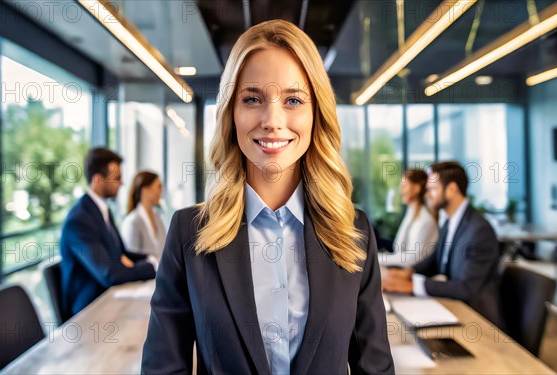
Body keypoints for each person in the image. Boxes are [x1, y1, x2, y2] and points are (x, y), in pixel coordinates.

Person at [142, 19, 394, 374]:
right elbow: (163, 368)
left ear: (316, 113)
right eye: (252, 99)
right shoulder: (188, 232)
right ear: (231, 111)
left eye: (293, 99)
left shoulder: (354, 232)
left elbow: (375, 367)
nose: (272, 120)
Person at [382, 161, 503, 326]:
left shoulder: (479, 231)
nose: (427, 194)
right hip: (451, 309)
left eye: (433, 189)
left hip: (477, 319)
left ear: (452, 189)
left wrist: (413, 285)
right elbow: (435, 259)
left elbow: (466, 288)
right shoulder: (450, 223)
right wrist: (409, 272)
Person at [60, 148, 157, 317]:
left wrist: (152, 259)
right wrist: (152, 267)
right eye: (117, 178)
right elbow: (109, 274)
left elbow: (121, 253)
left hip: (112, 298)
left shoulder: (102, 210)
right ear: (97, 179)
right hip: (90, 311)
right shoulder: (79, 220)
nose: (122, 183)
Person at [379, 169, 438, 268]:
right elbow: (398, 248)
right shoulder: (411, 213)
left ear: (416, 188)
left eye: (404, 186)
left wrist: (377, 258)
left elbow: (412, 259)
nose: (400, 191)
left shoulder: (426, 220)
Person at [121, 171, 166, 259]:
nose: (161, 192)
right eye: (159, 187)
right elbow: (130, 260)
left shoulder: (158, 219)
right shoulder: (132, 222)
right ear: (145, 190)